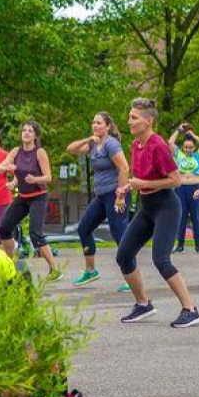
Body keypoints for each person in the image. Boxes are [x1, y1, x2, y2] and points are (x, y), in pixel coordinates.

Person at [115, 98, 199, 328]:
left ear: (148, 120)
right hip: (147, 206)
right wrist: (126, 188)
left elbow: (175, 181)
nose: (129, 121)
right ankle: (143, 304)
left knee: (161, 258)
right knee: (123, 255)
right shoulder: (136, 145)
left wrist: (141, 182)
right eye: (130, 116)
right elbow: (141, 178)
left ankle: (190, 309)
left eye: (134, 117)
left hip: (166, 206)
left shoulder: (158, 145)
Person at [67, 112, 132, 287]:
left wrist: (120, 196)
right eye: (93, 122)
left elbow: (124, 168)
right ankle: (90, 271)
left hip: (115, 193)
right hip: (102, 196)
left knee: (120, 234)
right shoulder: (94, 143)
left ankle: (131, 276)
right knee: (84, 228)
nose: (95, 125)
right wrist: (87, 140)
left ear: (108, 126)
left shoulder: (111, 144)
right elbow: (71, 149)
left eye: (99, 123)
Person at [0, 121, 59, 280]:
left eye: (30, 131)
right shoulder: (16, 151)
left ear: (35, 135)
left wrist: (35, 179)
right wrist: (9, 174)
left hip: (38, 196)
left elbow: (48, 177)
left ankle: (54, 269)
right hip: (23, 197)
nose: (26, 133)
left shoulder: (40, 152)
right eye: (24, 130)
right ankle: (11, 265)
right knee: (4, 228)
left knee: (35, 233)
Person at [169, 125, 199, 254]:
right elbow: (170, 143)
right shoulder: (179, 154)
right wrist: (178, 131)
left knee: (196, 217)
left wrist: (193, 134)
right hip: (180, 188)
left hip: (195, 188)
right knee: (181, 217)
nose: (188, 149)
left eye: (190, 147)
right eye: (186, 147)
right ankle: (180, 245)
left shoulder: (198, 156)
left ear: (194, 148)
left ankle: (198, 245)